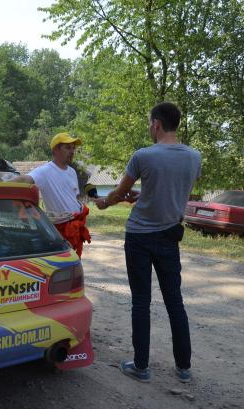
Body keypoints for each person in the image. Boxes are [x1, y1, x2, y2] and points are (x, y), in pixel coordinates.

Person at [94, 102, 201, 383]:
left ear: (156, 123)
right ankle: (184, 368)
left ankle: (141, 367)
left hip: (140, 236)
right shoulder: (194, 157)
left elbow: (119, 193)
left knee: (141, 302)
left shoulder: (143, 156)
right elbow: (175, 192)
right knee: (174, 301)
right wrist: (146, 194)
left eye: (149, 123)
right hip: (170, 236)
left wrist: (104, 203)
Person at [0, 133, 91, 257]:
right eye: (67, 148)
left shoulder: (72, 172)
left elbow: (73, 197)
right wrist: (3, 183)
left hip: (77, 226)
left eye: (73, 148)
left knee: (74, 263)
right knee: (65, 264)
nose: (72, 151)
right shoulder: (45, 171)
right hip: (61, 228)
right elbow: (26, 179)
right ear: (55, 150)